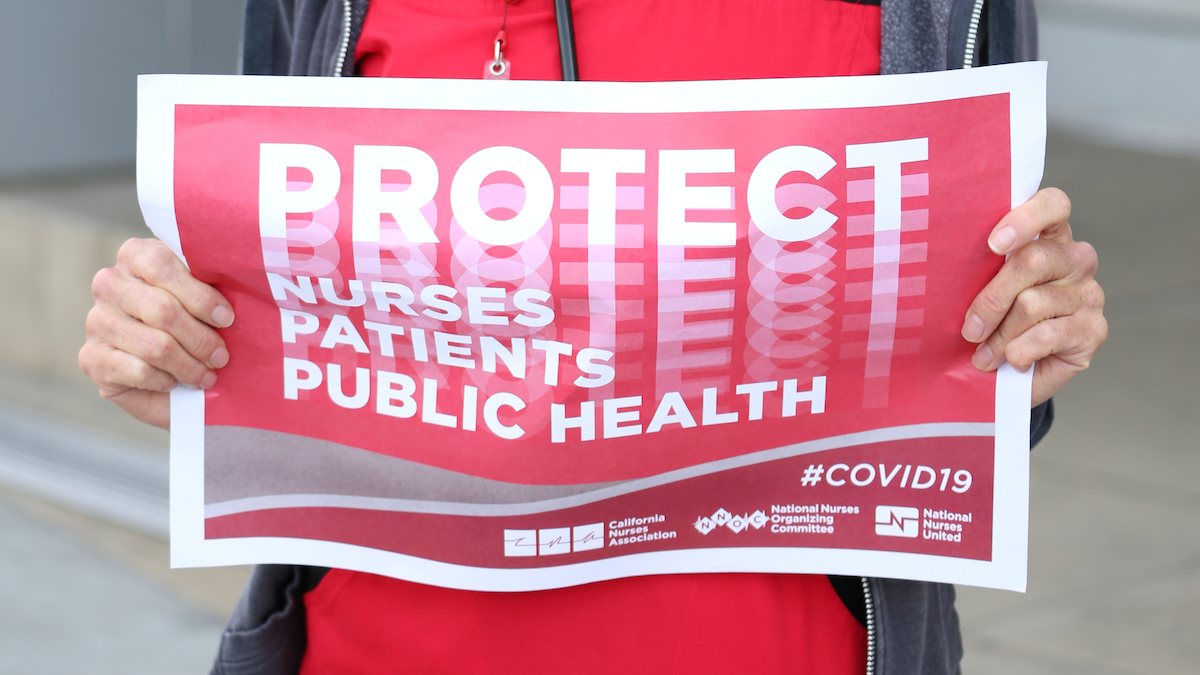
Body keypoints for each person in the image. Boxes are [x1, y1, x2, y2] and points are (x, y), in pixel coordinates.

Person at [79, 1, 1107, 673]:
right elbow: (265, 305)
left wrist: (1021, 348)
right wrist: (175, 348)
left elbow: (960, 387)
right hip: (383, 645)